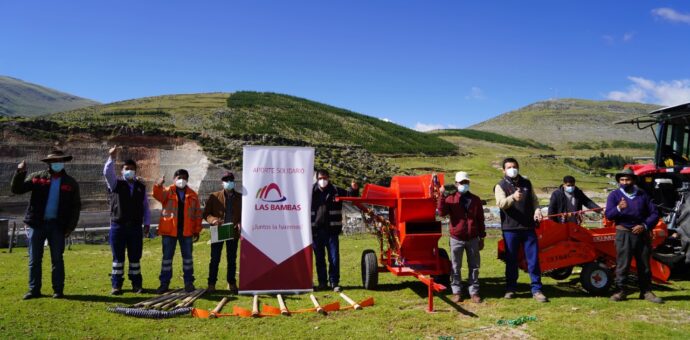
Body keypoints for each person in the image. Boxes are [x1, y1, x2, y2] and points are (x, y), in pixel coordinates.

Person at [11, 148, 81, 300]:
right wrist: (20, 172)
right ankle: (34, 290)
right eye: (54, 161)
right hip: (37, 225)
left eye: (59, 161)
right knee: (34, 259)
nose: (57, 163)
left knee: (57, 259)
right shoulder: (37, 177)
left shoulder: (71, 183)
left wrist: (70, 227)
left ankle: (58, 290)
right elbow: (17, 189)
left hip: (58, 226)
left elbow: (76, 207)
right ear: (49, 163)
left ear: (63, 163)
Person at [606, 168, 663, 304]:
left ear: (633, 180)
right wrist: (619, 208)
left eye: (627, 179)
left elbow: (654, 213)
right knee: (623, 264)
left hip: (641, 234)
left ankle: (646, 291)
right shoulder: (614, 195)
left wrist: (644, 225)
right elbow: (609, 215)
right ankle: (620, 291)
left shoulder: (643, 195)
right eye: (622, 180)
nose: (624, 182)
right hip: (623, 233)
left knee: (644, 264)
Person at [495, 157, 548, 303]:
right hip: (510, 229)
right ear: (503, 170)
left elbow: (534, 200)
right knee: (511, 260)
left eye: (514, 166)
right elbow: (501, 203)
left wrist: (537, 210)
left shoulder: (527, 183)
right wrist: (513, 197)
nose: (512, 169)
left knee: (533, 260)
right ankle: (511, 289)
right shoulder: (500, 186)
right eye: (509, 167)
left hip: (528, 228)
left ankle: (536, 290)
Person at [103, 145, 150, 295]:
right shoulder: (115, 184)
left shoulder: (141, 187)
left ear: (136, 171)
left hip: (135, 227)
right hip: (118, 226)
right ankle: (116, 285)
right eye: (126, 168)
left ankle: (137, 284)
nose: (129, 171)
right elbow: (106, 172)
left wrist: (147, 223)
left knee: (135, 257)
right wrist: (111, 157)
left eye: (132, 168)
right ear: (122, 170)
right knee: (118, 258)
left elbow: (146, 207)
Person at [438, 171, 485, 303]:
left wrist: (482, 237)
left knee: (474, 266)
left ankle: (474, 291)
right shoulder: (450, 198)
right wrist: (442, 195)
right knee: (455, 266)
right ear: (456, 183)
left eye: (466, 182)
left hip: (473, 238)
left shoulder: (475, 200)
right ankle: (456, 291)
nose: (464, 184)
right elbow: (442, 212)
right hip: (456, 238)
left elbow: (480, 219)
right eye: (461, 182)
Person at [153, 169, 203, 293]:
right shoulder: (167, 191)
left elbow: (197, 214)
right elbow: (157, 195)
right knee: (167, 259)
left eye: (185, 178)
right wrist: (158, 185)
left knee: (188, 259)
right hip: (170, 231)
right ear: (174, 178)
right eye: (179, 177)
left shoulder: (193, 194)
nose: (182, 180)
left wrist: (197, 230)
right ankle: (164, 284)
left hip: (186, 231)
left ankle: (188, 283)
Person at [203, 172, 241, 294]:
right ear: (222, 182)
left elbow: (245, 214)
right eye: (226, 180)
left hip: (233, 231)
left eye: (230, 180)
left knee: (232, 259)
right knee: (215, 259)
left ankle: (231, 283)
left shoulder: (240, 198)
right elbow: (206, 214)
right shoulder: (214, 196)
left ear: (234, 182)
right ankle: (211, 284)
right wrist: (213, 220)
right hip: (219, 230)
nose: (228, 182)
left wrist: (241, 222)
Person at [311, 169, 344, 292]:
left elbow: (350, 194)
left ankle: (334, 282)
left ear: (328, 178)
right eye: (320, 178)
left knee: (334, 258)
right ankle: (322, 283)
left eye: (324, 178)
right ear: (317, 179)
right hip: (316, 231)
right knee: (319, 259)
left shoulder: (335, 190)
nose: (322, 181)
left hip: (332, 231)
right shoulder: (310, 192)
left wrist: (354, 189)